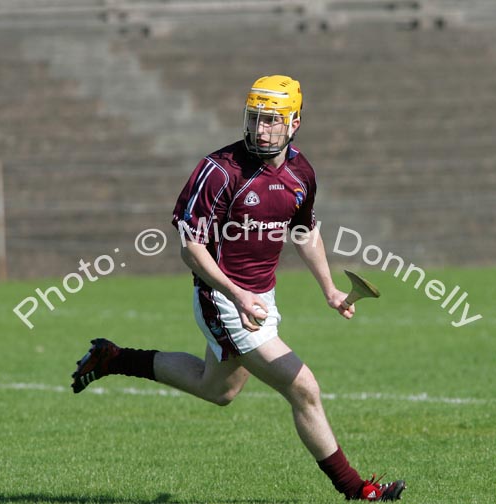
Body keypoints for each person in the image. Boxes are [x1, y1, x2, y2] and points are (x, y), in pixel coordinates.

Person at [71, 75, 406, 501]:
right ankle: (358, 489)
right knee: (303, 387)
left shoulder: (301, 172)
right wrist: (235, 294)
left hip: (258, 297)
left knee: (220, 390)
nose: (260, 129)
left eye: (272, 120)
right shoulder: (220, 171)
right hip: (221, 297)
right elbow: (191, 250)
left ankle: (113, 358)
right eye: (254, 119)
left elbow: (303, 232)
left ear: (294, 122)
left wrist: (329, 289)